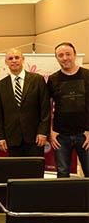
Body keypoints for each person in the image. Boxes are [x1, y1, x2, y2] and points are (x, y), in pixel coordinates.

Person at [0, 48, 50, 157]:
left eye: (17, 57)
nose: (14, 60)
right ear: (6, 62)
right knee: (16, 172)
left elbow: (45, 109)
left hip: (35, 137)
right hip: (12, 138)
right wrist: (0, 137)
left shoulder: (37, 80)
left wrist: (43, 132)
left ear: (23, 59)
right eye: (10, 58)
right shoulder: (0, 85)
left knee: (35, 171)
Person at [48, 42, 89, 177]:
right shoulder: (53, 79)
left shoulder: (87, 75)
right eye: (60, 55)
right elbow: (47, 107)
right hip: (61, 136)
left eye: (68, 54)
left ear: (75, 55)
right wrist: (51, 131)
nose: (65, 58)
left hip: (85, 135)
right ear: (57, 58)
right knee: (62, 173)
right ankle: (64, 199)